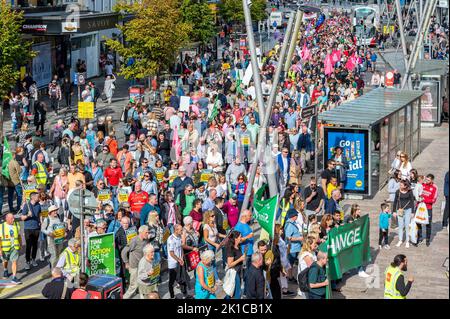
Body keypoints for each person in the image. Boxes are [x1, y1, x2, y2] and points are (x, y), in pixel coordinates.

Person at [121, 225, 150, 299]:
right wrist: (126, 262)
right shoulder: (134, 240)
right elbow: (124, 252)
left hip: (142, 265)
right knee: (134, 285)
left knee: (143, 282)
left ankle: (142, 296)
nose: (148, 234)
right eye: (146, 232)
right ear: (141, 232)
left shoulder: (146, 240)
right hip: (134, 265)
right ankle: (124, 297)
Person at [167, 224, 190, 299]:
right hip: (173, 264)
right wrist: (179, 260)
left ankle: (185, 294)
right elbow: (171, 253)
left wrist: (182, 258)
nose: (182, 231)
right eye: (181, 230)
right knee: (172, 281)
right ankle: (172, 296)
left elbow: (181, 247)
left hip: (180, 262)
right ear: (176, 230)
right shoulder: (171, 239)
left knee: (183, 278)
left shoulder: (179, 237)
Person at [20, 192, 41, 270]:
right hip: (28, 228)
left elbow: (39, 214)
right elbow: (22, 218)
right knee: (29, 246)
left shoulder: (38, 205)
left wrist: (40, 222)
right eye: (37, 196)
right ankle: (27, 262)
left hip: (36, 228)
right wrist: (28, 215)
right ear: (33, 197)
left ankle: (33, 259)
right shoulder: (26, 205)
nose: (39, 198)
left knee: (35, 245)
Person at [0, 213, 22, 284]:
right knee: (5, 261)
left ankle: (14, 277)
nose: (13, 219)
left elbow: (19, 235)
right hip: (5, 248)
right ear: (7, 219)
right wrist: (0, 249)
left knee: (14, 261)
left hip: (14, 247)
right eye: (11, 218)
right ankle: (5, 269)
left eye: (13, 218)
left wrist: (20, 244)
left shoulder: (16, 224)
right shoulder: (1, 226)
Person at [393, 180, 415, 248]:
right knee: (400, 225)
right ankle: (400, 240)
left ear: (405, 186)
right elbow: (395, 201)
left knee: (407, 225)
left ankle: (407, 241)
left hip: (408, 210)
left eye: (401, 185)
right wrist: (394, 211)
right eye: (400, 184)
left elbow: (412, 202)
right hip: (400, 210)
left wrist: (412, 212)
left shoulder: (410, 191)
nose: (400, 186)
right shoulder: (398, 191)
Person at [418, 174, 438, 246]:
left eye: (428, 180)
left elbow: (433, 200)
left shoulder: (434, 187)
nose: (427, 181)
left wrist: (424, 199)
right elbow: (418, 193)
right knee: (418, 222)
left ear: (432, 180)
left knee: (428, 224)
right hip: (420, 207)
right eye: (426, 179)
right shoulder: (422, 185)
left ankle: (428, 239)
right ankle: (419, 237)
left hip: (428, 208)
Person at [224, 230, 245, 299]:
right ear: (235, 239)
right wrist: (240, 259)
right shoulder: (231, 249)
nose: (241, 238)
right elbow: (229, 264)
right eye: (240, 237)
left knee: (234, 289)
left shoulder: (238, 246)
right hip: (234, 272)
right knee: (236, 291)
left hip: (239, 270)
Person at [283, 209, 303, 281]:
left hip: (296, 247)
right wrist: (299, 238)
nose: (297, 216)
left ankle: (291, 276)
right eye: (296, 215)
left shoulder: (292, 223)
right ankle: (290, 277)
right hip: (292, 248)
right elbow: (288, 237)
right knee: (290, 264)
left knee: (292, 263)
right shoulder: (290, 225)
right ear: (293, 216)